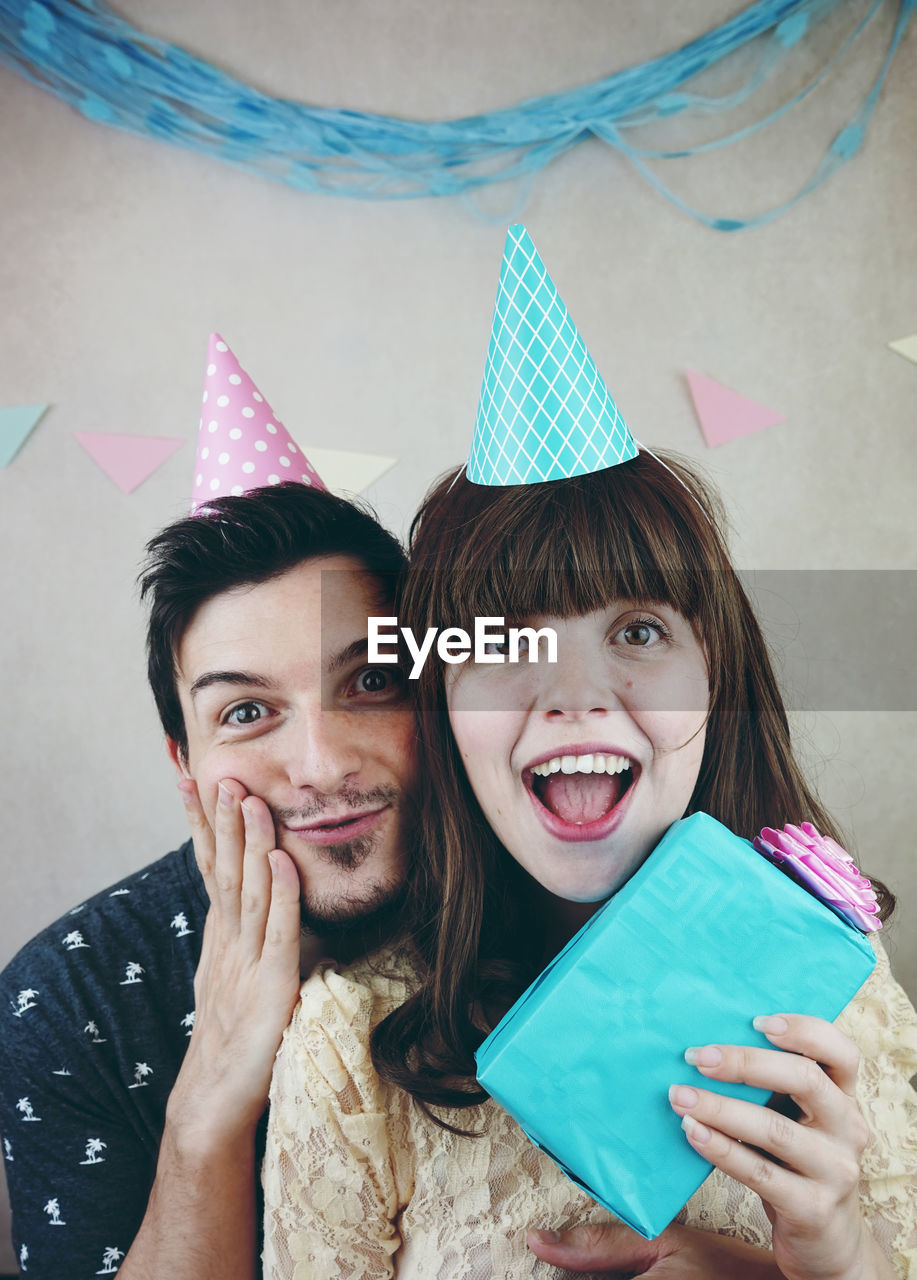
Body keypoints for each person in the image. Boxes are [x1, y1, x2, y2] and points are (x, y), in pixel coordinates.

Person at [260, 228, 917, 1279]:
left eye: (638, 631)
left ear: (717, 672)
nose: (572, 696)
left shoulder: (839, 990)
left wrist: (832, 1256)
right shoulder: (351, 1043)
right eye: (507, 642)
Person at [0, 476, 417, 1280]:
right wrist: (209, 1105)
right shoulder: (66, 1001)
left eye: (370, 681)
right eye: (246, 712)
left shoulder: (546, 898)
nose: (321, 765)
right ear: (183, 764)